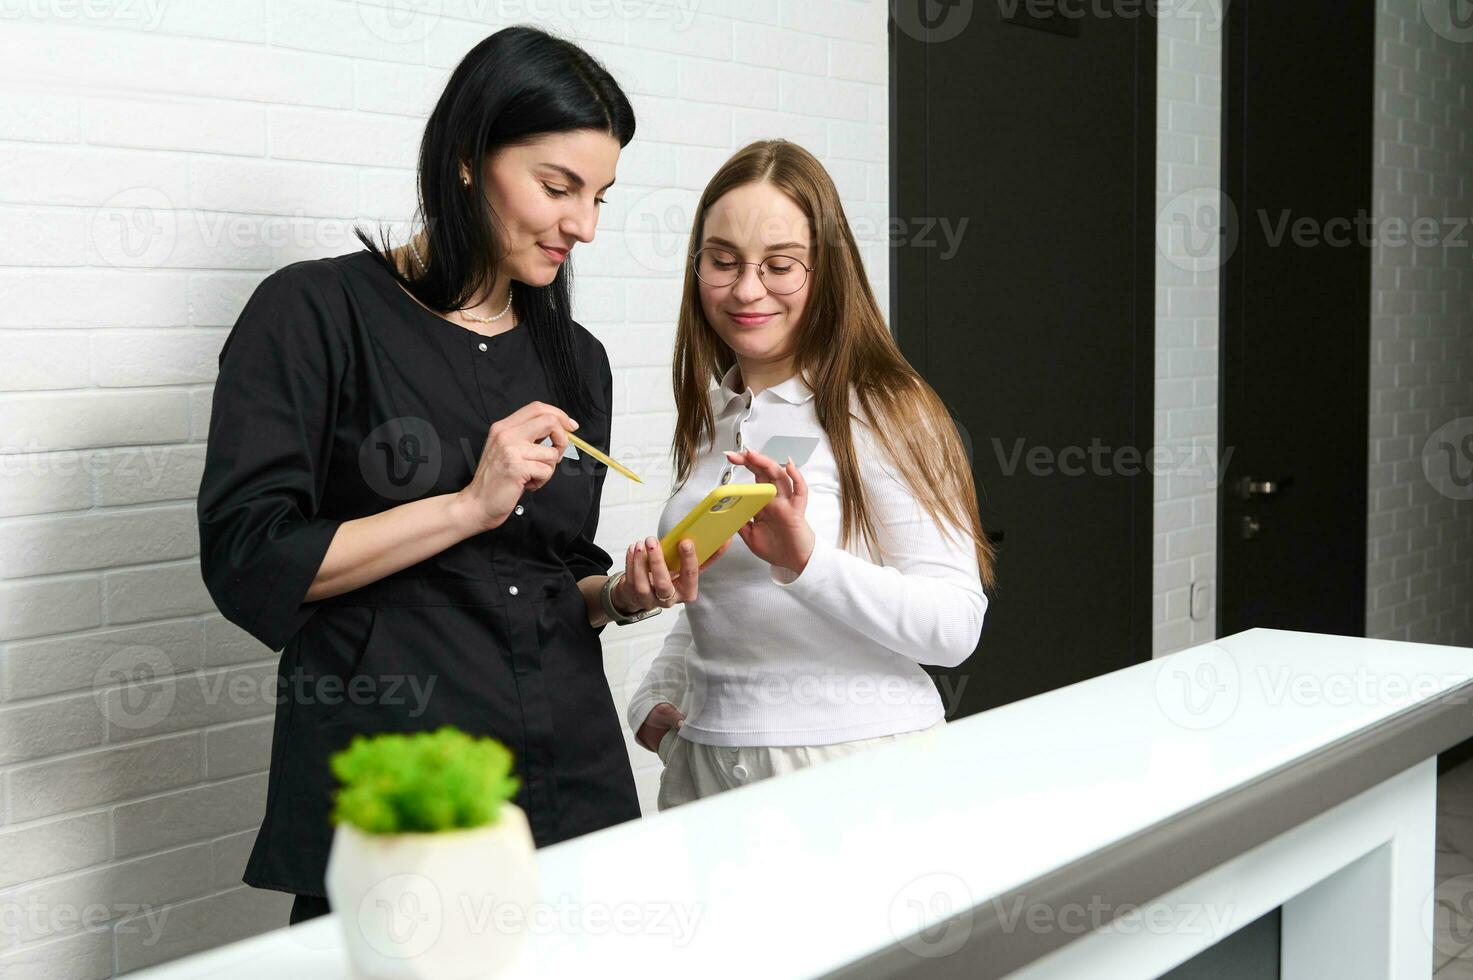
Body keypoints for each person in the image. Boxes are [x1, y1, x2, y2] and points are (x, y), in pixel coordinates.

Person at [197, 26, 724, 926]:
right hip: (400, 779)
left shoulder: (575, 361)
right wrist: (468, 504)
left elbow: (554, 575)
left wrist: (622, 597)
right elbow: (251, 558)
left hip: (567, 765)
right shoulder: (316, 312)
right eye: (557, 187)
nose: (583, 225)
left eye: (598, 195)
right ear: (469, 158)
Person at [626, 140, 997, 808]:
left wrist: (806, 561)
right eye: (722, 261)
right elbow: (720, 593)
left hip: (853, 773)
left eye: (779, 266)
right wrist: (660, 691)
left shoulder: (883, 406)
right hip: (707, 769)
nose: (746, 289)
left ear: (826, 271)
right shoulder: (716, 412)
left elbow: (952, 627)